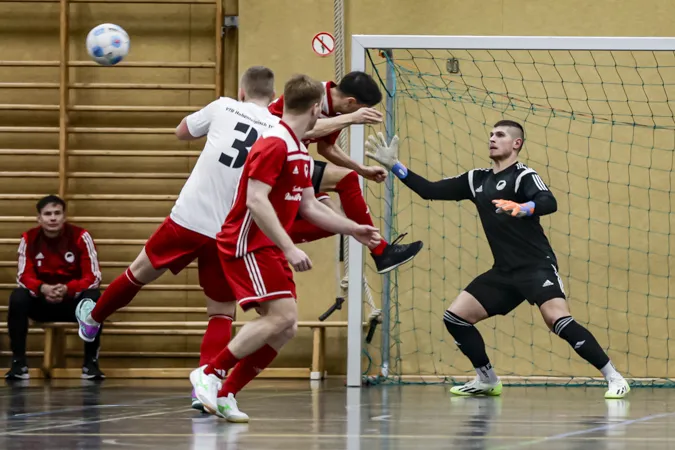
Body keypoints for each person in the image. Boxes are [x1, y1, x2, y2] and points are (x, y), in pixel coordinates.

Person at [364, 120, 630, 399]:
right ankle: (487, 380)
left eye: (500, 135)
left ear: (516, 143)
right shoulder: (476, 179)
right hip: (504, 272)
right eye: (491, 134)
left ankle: (614, 378)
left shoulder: (523, 175)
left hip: (536, 266)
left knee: (557, 320)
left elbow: (548, 201)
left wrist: (524, 208)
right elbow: (429, 190)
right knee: (455, 318)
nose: (492, 138)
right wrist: (395, 165)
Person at [73, 65, 283, 406]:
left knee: (138, 273)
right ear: (273, 96)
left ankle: (93, 319)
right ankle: (205, 387)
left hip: (188, 217)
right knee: (221, 311)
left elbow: (182, 131)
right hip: (229, 231)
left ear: (242, 91)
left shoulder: (223, 106)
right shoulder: (278, 131)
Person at [190, 74, 381, 422]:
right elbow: (256, 200)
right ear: (315, 109)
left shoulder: (298, 151)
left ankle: (227, 393)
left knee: (286, 327)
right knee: (280, 318)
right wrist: (290, 247)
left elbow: (309, 206)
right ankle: (210, 373)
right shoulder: (274, 144)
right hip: (247, 242)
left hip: (268, 245)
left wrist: (354, 229)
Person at [269, 71, 423, 274]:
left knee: (337, 220)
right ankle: (381, 251)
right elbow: (297, 129)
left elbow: (326, 148)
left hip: (294, 163)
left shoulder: (337, 111)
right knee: (346, 181)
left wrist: (361, 169)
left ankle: (271, 236)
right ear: (351, 102)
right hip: (271, 161)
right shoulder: (310, 95)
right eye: (362, 110)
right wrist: (351, 118)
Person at [7, 195, 104, 380]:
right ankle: (19, 364)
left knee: (94, 297)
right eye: (48, 214)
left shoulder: (81, 236)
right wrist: (42, 288)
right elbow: (23, 276)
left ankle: (90, 363)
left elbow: (93, 276)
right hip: (42, 303)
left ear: (64, 216)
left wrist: (68, 289)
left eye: (57, 213)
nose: (53, 218)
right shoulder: (29, 238)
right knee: (18, 297)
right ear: (39, 218)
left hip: (72, 305)